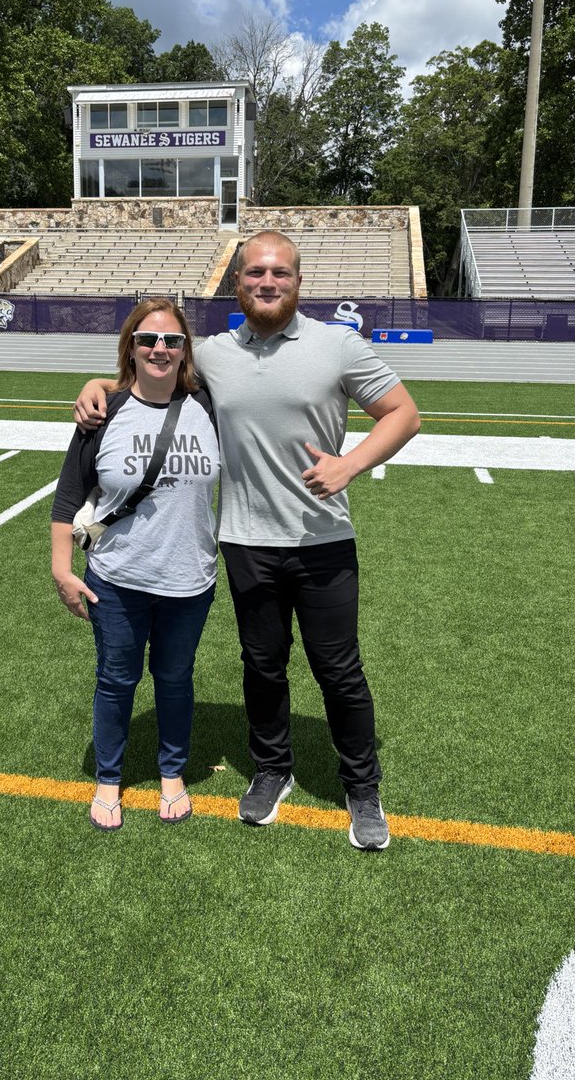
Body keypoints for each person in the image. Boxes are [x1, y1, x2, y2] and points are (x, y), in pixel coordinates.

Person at [74, 232, 420, 849]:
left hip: (322, 539)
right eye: (255, 272)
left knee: (338, 670)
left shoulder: (336, 345)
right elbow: (155, 366)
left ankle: (362, 790)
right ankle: (271, 769)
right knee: (262, 666)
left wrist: (350, 464)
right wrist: (100, 382)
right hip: (244, 541)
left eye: (280, 273)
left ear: (297, 281)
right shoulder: (212, 353)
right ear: (237, 283)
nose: (267, 282)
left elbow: (404, 413)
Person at [52, 298, 219, 831]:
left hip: (189, 580)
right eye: (147, 339)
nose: (160, 349)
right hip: (117, 580)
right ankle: (109, 780)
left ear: (185, 349)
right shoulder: (105, 412)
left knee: (175, 679)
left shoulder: (209, 405)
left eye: (171, 340)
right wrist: (62, 570)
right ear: (131, 346)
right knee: (116, 680)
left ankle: (172, 774)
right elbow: (67, 495)